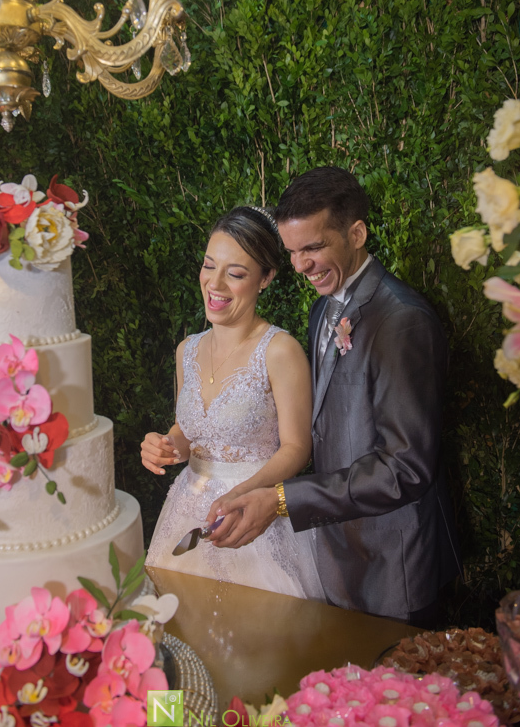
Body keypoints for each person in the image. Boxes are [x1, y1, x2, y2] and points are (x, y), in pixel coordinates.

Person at [207, 168, 462, 624]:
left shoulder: (402, 320)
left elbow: (405, 468)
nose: (301, 265)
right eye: (292, 252)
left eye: (313, 247)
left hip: (395, 564)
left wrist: (283, 499)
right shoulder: (324, 308)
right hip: (338, 553)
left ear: (357, 233)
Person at [142, 206, 324, 599]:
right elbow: (188, 431)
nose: (215, 283)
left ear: (266, 278)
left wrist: (246, 493)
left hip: (255, 517)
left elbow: (298, 447)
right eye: (210, 266)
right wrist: (167, 446)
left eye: (236, 273)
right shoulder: (186, 350)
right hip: (187, 515)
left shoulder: (279, 350)